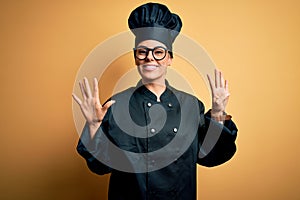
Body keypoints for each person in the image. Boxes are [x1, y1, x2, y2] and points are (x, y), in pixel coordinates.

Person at [72, 2, 238, 200]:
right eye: (142, 52)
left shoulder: (191, 106)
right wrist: (93, 126)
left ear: (169, 58)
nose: (150, 58)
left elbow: (211, 156)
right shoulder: (116, 105)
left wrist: (218, 112)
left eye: (158, 52)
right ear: (136, 58)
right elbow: (100, 166)